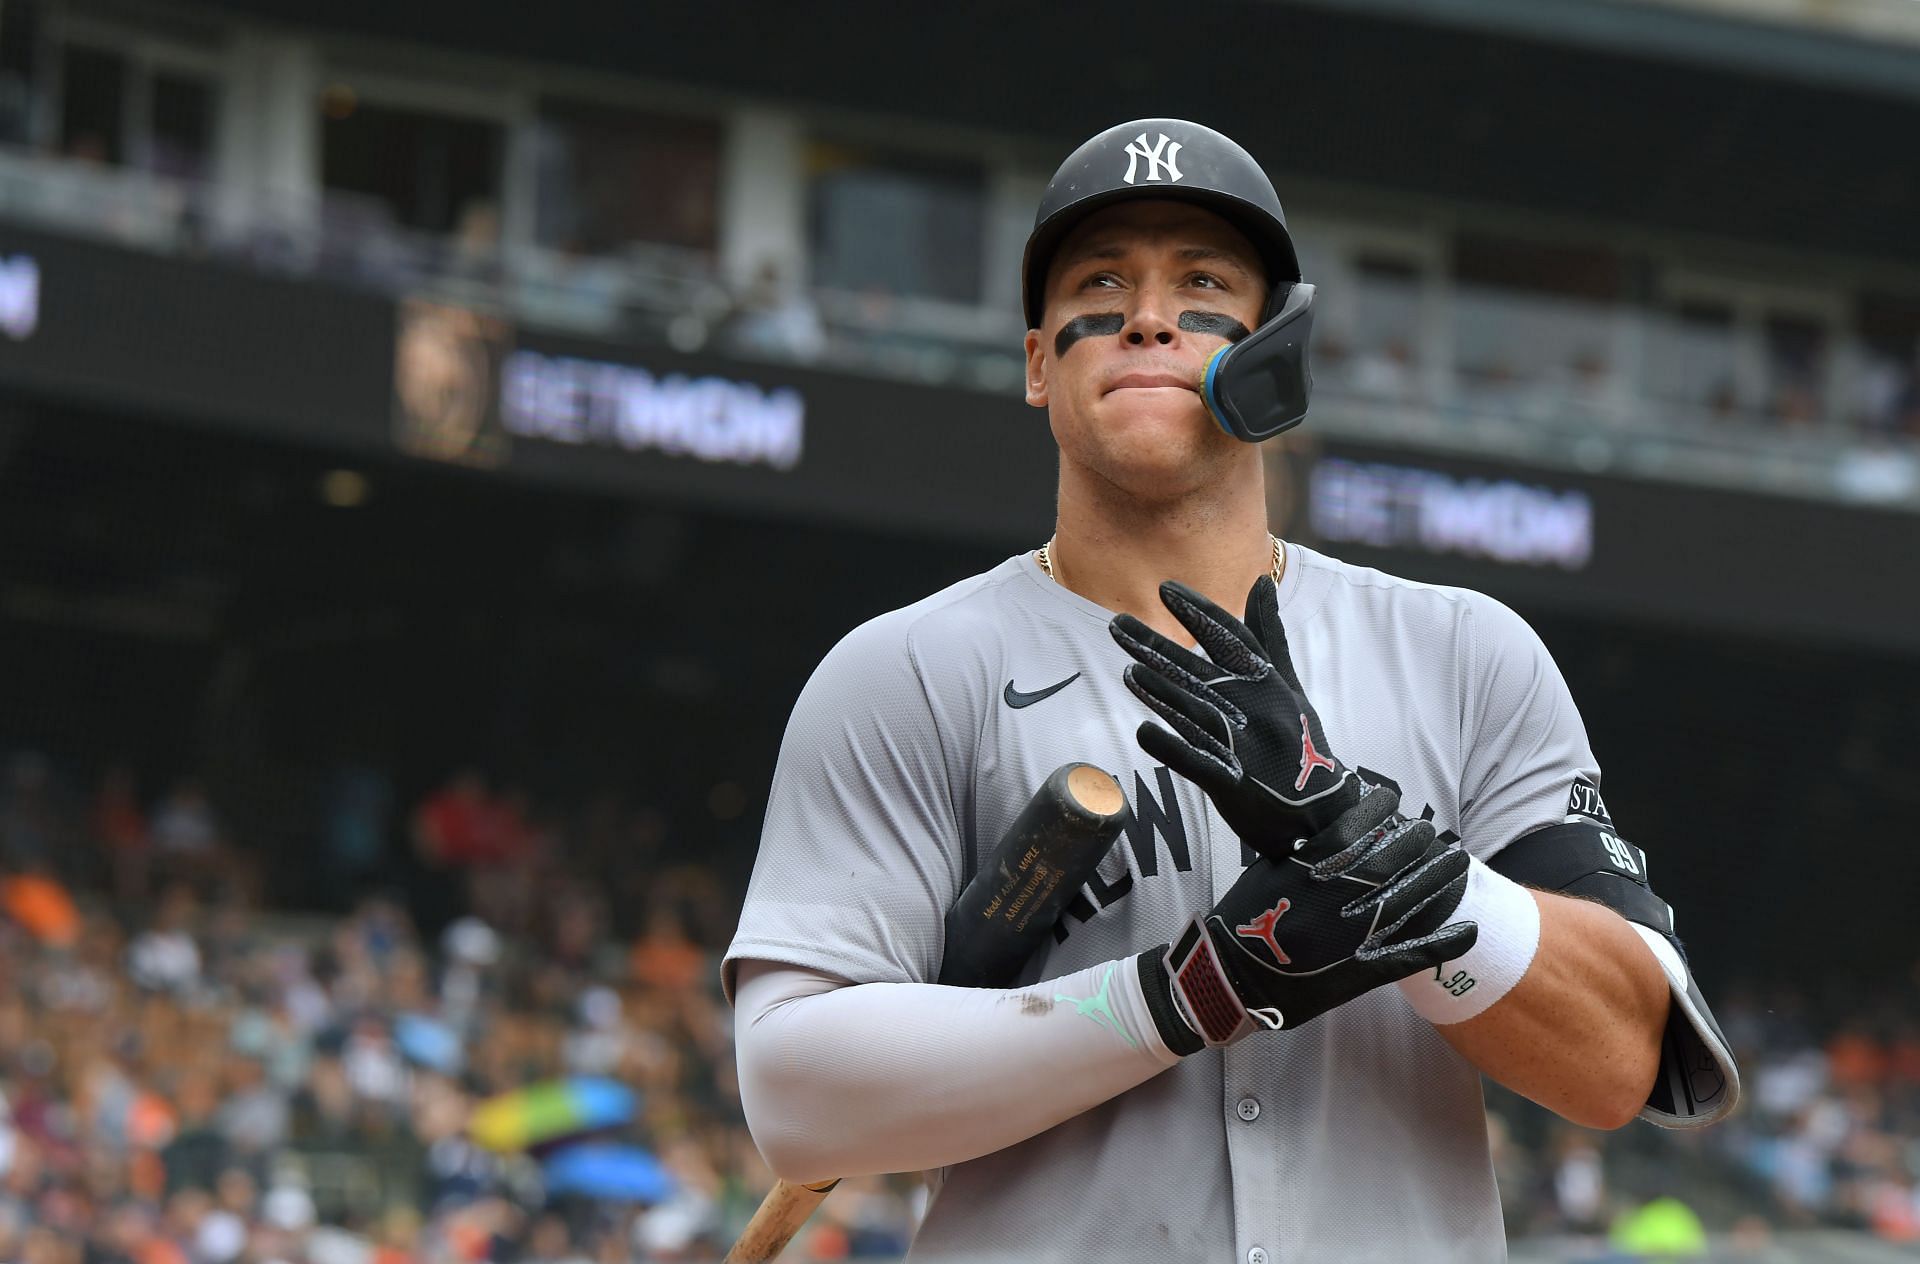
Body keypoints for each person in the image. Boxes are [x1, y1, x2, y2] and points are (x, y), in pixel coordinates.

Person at [724, 119, 1739, 1262]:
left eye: (1202, 282)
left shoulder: (1466, 652)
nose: (1148, 314)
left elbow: (1620, 1060)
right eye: (1100, 282)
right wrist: (1188, 994)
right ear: (1037, 361)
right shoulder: (904, 670)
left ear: (1277, 351)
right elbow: (797, 1097)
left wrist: (1397, 871)